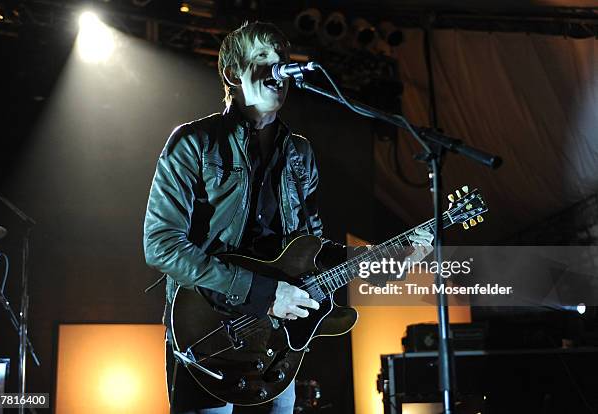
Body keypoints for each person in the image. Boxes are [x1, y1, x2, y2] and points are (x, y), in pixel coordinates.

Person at [143, 21, 433, 414]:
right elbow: (161, 245)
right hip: (211, 329)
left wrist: (386, 261)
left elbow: (314, 252)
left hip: (276, 342)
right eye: (263, 58)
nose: (279, 68)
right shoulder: (194, 142)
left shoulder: (300, 154)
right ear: (233, 73)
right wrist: (263, 294)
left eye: (282, 59)